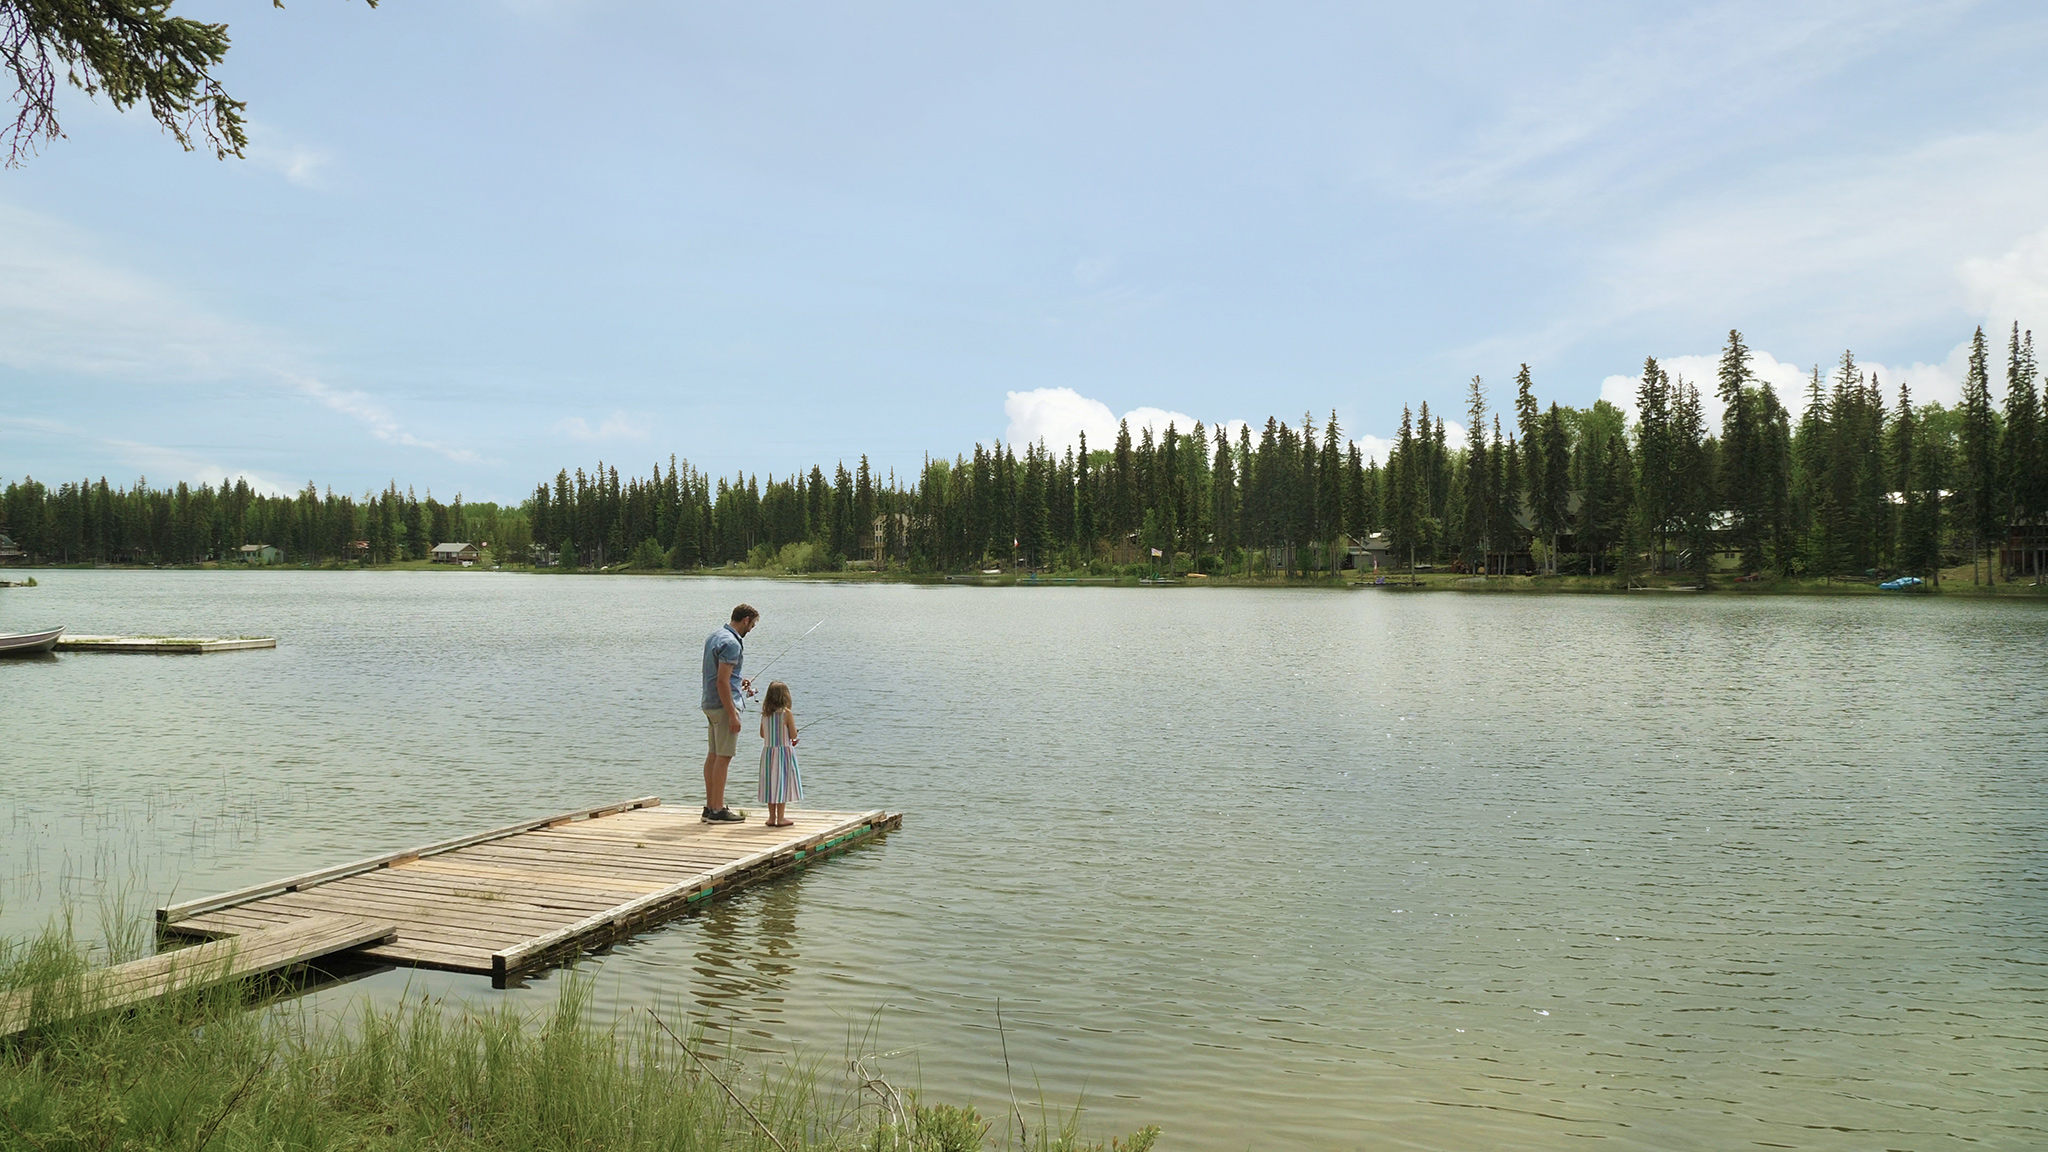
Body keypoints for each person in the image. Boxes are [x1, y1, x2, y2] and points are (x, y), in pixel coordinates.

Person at [700, 603, 759, 823]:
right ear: (745, 620)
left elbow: (723, 676)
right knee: (724, 758)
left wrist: (738, 681)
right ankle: (717, 810)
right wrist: (733, 713)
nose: (751, 629)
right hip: (724, 706)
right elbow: (722, 682)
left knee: (713, 755)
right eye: (752, 625)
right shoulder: (732, 643)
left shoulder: (715, 635)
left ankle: (709, 807)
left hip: (709, 703)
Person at [757, 680, 802, 828]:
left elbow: (763, 734)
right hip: (783, 753)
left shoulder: (765, 715)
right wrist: (793, 737)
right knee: (782, 784)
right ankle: (781, 818)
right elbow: (793, 733)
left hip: (769, 753)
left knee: (771, 784)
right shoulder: (786, 714)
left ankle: (771, 818)